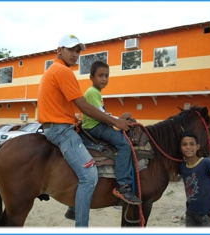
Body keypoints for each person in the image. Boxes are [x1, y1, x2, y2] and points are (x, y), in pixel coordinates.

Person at [37, 34, 133, 227]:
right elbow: (84, 106)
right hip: (61, 130)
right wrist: (115, 122)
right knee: (89, 177)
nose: (75, 54)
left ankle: (73, 207)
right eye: (71, 49)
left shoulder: (55, 70)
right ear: (59, 50)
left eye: (78, 51)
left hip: (63, 126)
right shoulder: (63, 72)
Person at [82, 60, 142, 205]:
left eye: (106, 76)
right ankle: (123, 185)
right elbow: (101, 115)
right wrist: (119, 120)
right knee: (124, 145)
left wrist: (118, 119)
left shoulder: (96, 93)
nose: (104, 79)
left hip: (98, 124)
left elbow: (103, 113)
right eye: (100, 75)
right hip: (96, 127)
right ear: (91, 78)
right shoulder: (92, 92)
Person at [179, 131, 210, 227]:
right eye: (184, 144)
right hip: (191, 214)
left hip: (208, 215)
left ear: (197, 146)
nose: (188, 147)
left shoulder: (206, 163)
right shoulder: (182, 167)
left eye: (192, 144)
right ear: (180, 148)